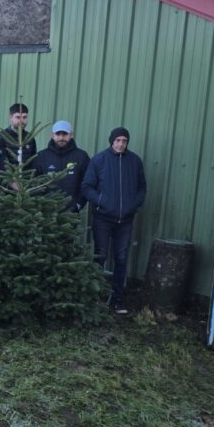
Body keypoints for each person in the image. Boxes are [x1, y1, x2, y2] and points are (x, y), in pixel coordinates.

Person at [81, 127, 146, 314]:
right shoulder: (99, 160)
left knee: (121, 258)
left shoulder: (134, 162)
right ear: (111, 141)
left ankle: (117, 299)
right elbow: (86, 187)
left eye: (124, 141)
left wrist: (134, 204)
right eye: (117, 140)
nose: (121, 144)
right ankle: (93, 298)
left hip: (125, 221)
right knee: (100, 256)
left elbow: (142, 187)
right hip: (103, 218)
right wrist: (103, 201)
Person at [32, 121, 90, 212]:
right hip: (46, 214)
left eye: (65, 134)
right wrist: (41, 204)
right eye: (58, 134)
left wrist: (78, 204)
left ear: (71, 135)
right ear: (52, 135)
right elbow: (35, 183)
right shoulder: (41, 156)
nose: (61, 138)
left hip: (71, 214)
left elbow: (87, 183)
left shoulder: (81, 156)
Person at [0, 102, 37, 172]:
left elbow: (33, 162)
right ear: (10, 118)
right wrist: (12, 179)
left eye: (24, 117)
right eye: (18, 117)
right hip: (4, 181)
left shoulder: (30, 138)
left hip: (25, 181)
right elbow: (2, 160)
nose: (21, 121)